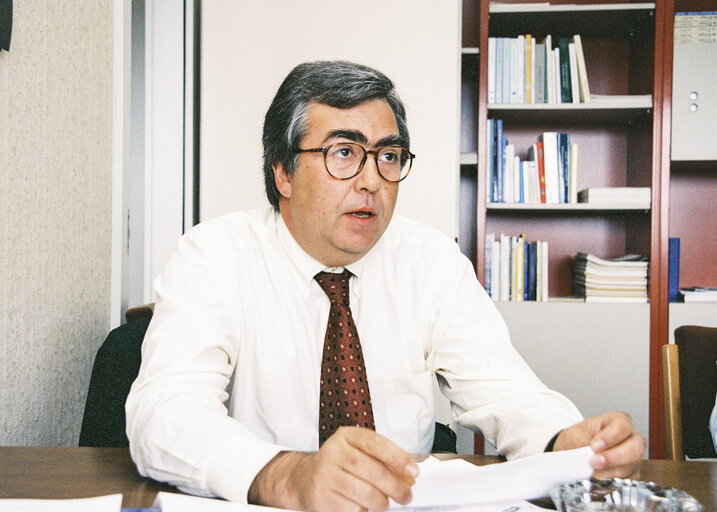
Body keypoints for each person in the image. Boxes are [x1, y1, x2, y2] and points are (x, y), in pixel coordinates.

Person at [126, 60, 645, 512]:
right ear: (282, 172)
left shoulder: (431, 260)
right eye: (344, 153)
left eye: (388, 156)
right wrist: (286, 475)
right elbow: (164, 415)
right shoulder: (213, 255)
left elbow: (504, 388)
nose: (372, 179)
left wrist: (566, 441)